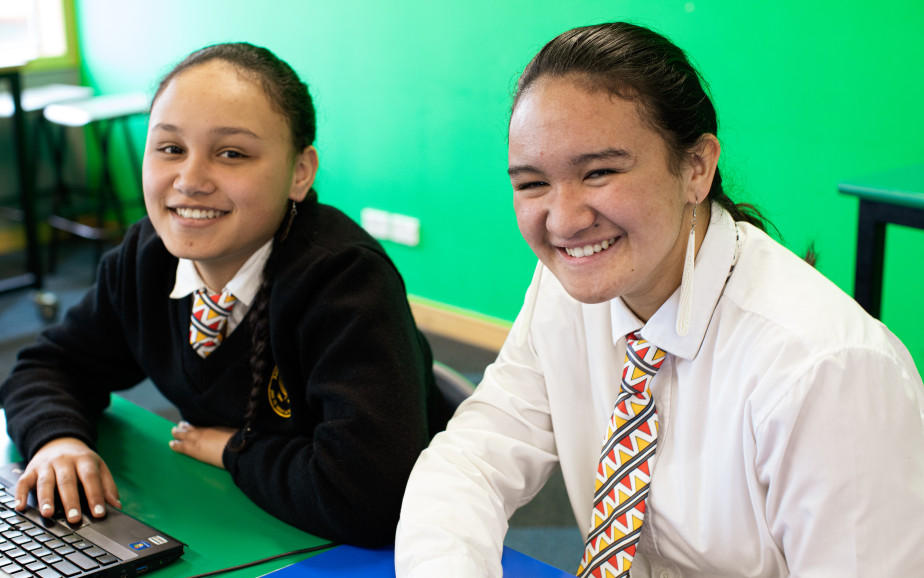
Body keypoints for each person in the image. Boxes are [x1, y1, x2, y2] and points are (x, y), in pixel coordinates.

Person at [395, 22, 924, 577]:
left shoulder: (828, 371)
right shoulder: (567, 289)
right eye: (532, 184)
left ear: (696, 167)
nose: (565, 220)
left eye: (599, 172)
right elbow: (471, 463)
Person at [0, 42, 451, 546]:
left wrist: (234, 450)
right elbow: (48, 365)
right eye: (170, 148)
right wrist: (58, 439)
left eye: (232, 153)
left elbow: (370, 498)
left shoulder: (345, 283)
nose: (190, 181)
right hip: (250, 514)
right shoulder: (146, 256)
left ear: (300, 172)